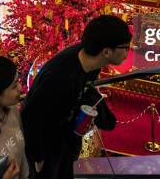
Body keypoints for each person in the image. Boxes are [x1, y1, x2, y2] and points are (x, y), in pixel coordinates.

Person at [21, 15, 130, 179]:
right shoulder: (58, 79)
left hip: (65, 140)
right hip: (49, 149)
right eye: (125, 47)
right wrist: (39, 158)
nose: (128, 52)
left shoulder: (90, 62)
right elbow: (31, 118)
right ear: (106, 51)